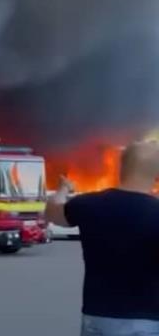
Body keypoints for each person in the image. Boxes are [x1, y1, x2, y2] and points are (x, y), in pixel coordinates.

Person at [46, 140, 159, 336]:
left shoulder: (89, 204)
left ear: (120, 168)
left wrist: (63, 188)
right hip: (147, 321)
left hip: (97, 318)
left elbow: (52, 213)